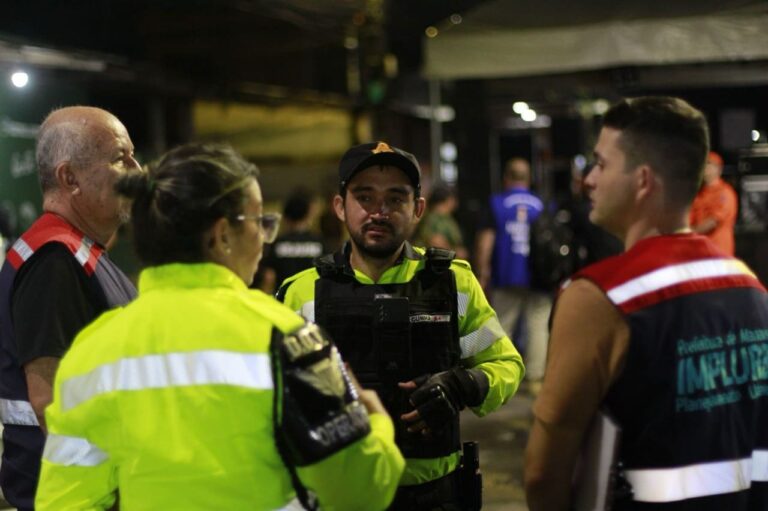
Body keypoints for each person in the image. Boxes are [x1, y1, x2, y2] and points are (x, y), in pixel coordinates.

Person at [35, 143, 404, 510]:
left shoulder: (91, 352)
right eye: (260, 222)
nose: (263, 238)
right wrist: (374, 422)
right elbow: (361, 491)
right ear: (221, 234)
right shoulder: (286, 337)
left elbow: (65, 503)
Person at [524, 97, 768, 510]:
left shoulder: (599, 297)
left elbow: (544, 473)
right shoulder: (753, 291)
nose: (589, 181)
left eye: (601, 165)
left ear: (642, 180)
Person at [278, 141, 524, 510]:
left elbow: (505, 363)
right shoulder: (300, 294)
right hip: (337, 496)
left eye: (396, 199)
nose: (379, 212)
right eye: (364, 197)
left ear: (418, 209)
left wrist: (464, 385)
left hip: (435, 497)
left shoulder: (453, 284)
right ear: (340, 206)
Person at [0, 106, 139, 510]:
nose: (137, 169)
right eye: (119, 158)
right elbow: (51, 404)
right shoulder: (55, 261)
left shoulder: (80, 253)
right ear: (69, 178)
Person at [475, 157, 551, 386]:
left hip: (506, 274)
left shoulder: (496, 203)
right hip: (538, 276)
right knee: (538, 326)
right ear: (529, 179)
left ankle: (502, 377)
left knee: (502, 326)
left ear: (506, 178)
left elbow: (486, 241)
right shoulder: (542, 204)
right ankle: (535, 378)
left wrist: (482, 272)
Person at [258, 188, 325, 294]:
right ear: (308, 214)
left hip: (284, 304)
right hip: (312, 304)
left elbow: (268, 277)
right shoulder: (320, 244)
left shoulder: (276, 244)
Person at [690, 151, 738, 255]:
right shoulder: (698, 194)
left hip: (718, 251)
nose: (704, 169)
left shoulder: (725, 193)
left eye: (708, 164)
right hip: (699, 253)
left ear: (718, 169)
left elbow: (714, 221)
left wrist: (688, 235)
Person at [416, 184, 469, 260]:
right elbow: (435, 241)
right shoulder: (435, 218)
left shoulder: (444, 217)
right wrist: (455, 252)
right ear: (449, 199)